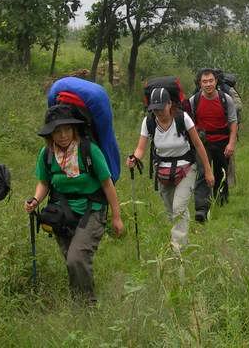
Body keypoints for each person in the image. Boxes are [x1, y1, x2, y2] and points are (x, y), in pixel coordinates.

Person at [24, 103, 124, 304]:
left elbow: (107, 184)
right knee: (71, 260)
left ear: (74, 129)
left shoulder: (89, 150)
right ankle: (79, 302)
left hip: (92, 209)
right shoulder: (47, 154)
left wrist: (116, 217)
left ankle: (87, 305)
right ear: (50, 134)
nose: (63, 135)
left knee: (76, 258)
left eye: (67, 129)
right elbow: (44, 183)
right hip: (62, 212)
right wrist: (35, 200)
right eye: (57, 131)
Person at [126, 87, 213, 253]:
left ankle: (177, 250)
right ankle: (182, 238)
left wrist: (208, 170)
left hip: (186, 167)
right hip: (162, 171)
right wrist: (134, 159)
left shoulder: (182, 118)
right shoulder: (149, 122)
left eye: (161, 108)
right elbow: (140, 148)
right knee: (171, 211)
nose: (158, 113)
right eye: (155, 109)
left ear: (169, 104)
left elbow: (198, 144)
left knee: (179, 208)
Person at [191, 69, 238, 222]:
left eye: (211, 81)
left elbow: (233, 122)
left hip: (222, 141)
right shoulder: (194, 100)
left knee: (221, 173)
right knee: (203, 172)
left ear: (216, 81)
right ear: (200, 83)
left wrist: (231, 143)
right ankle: (202, 209)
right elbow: (189, 124)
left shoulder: (226, 99)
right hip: (202, 143)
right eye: (204, 81)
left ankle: (221, 202)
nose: (208, 84)